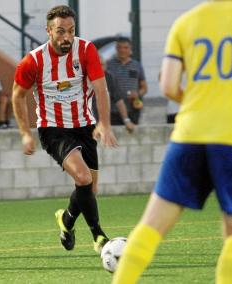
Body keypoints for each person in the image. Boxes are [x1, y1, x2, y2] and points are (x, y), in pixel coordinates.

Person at [113, 1, 232, 283]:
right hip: (228, 137)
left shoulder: (186, 22)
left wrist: (198, 103)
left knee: (152, 225)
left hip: (188, 134)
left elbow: (167, 86)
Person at [12, 5, 117, 255]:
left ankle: (67, 222)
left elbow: (101, 88)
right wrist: (25, 133)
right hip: (53, 129)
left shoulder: (86, 50)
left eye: (70, 31)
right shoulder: (34, 60)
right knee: (83, 178)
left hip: (85, 125)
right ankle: (99, 236)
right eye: (60, 31)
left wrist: (104, 123)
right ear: (48, 31)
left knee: (89, 190)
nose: (66, 37)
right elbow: (17, 96)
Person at [107, 37, 147, 124]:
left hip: (133, 109)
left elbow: (144, 88)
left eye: (125, 47)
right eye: (120, 47)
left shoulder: (137, 65)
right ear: (116, 49)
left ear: (130, 49)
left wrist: (138, 94)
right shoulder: (109, 65)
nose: (122, 50)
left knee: (133, 136)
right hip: (113, 110)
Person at [96, 56, 135, 133]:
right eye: (97, 65)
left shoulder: (109, 77)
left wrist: (126, 120)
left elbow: (119, 100)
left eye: (102, 65)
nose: (100, 68)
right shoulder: (84, 78)